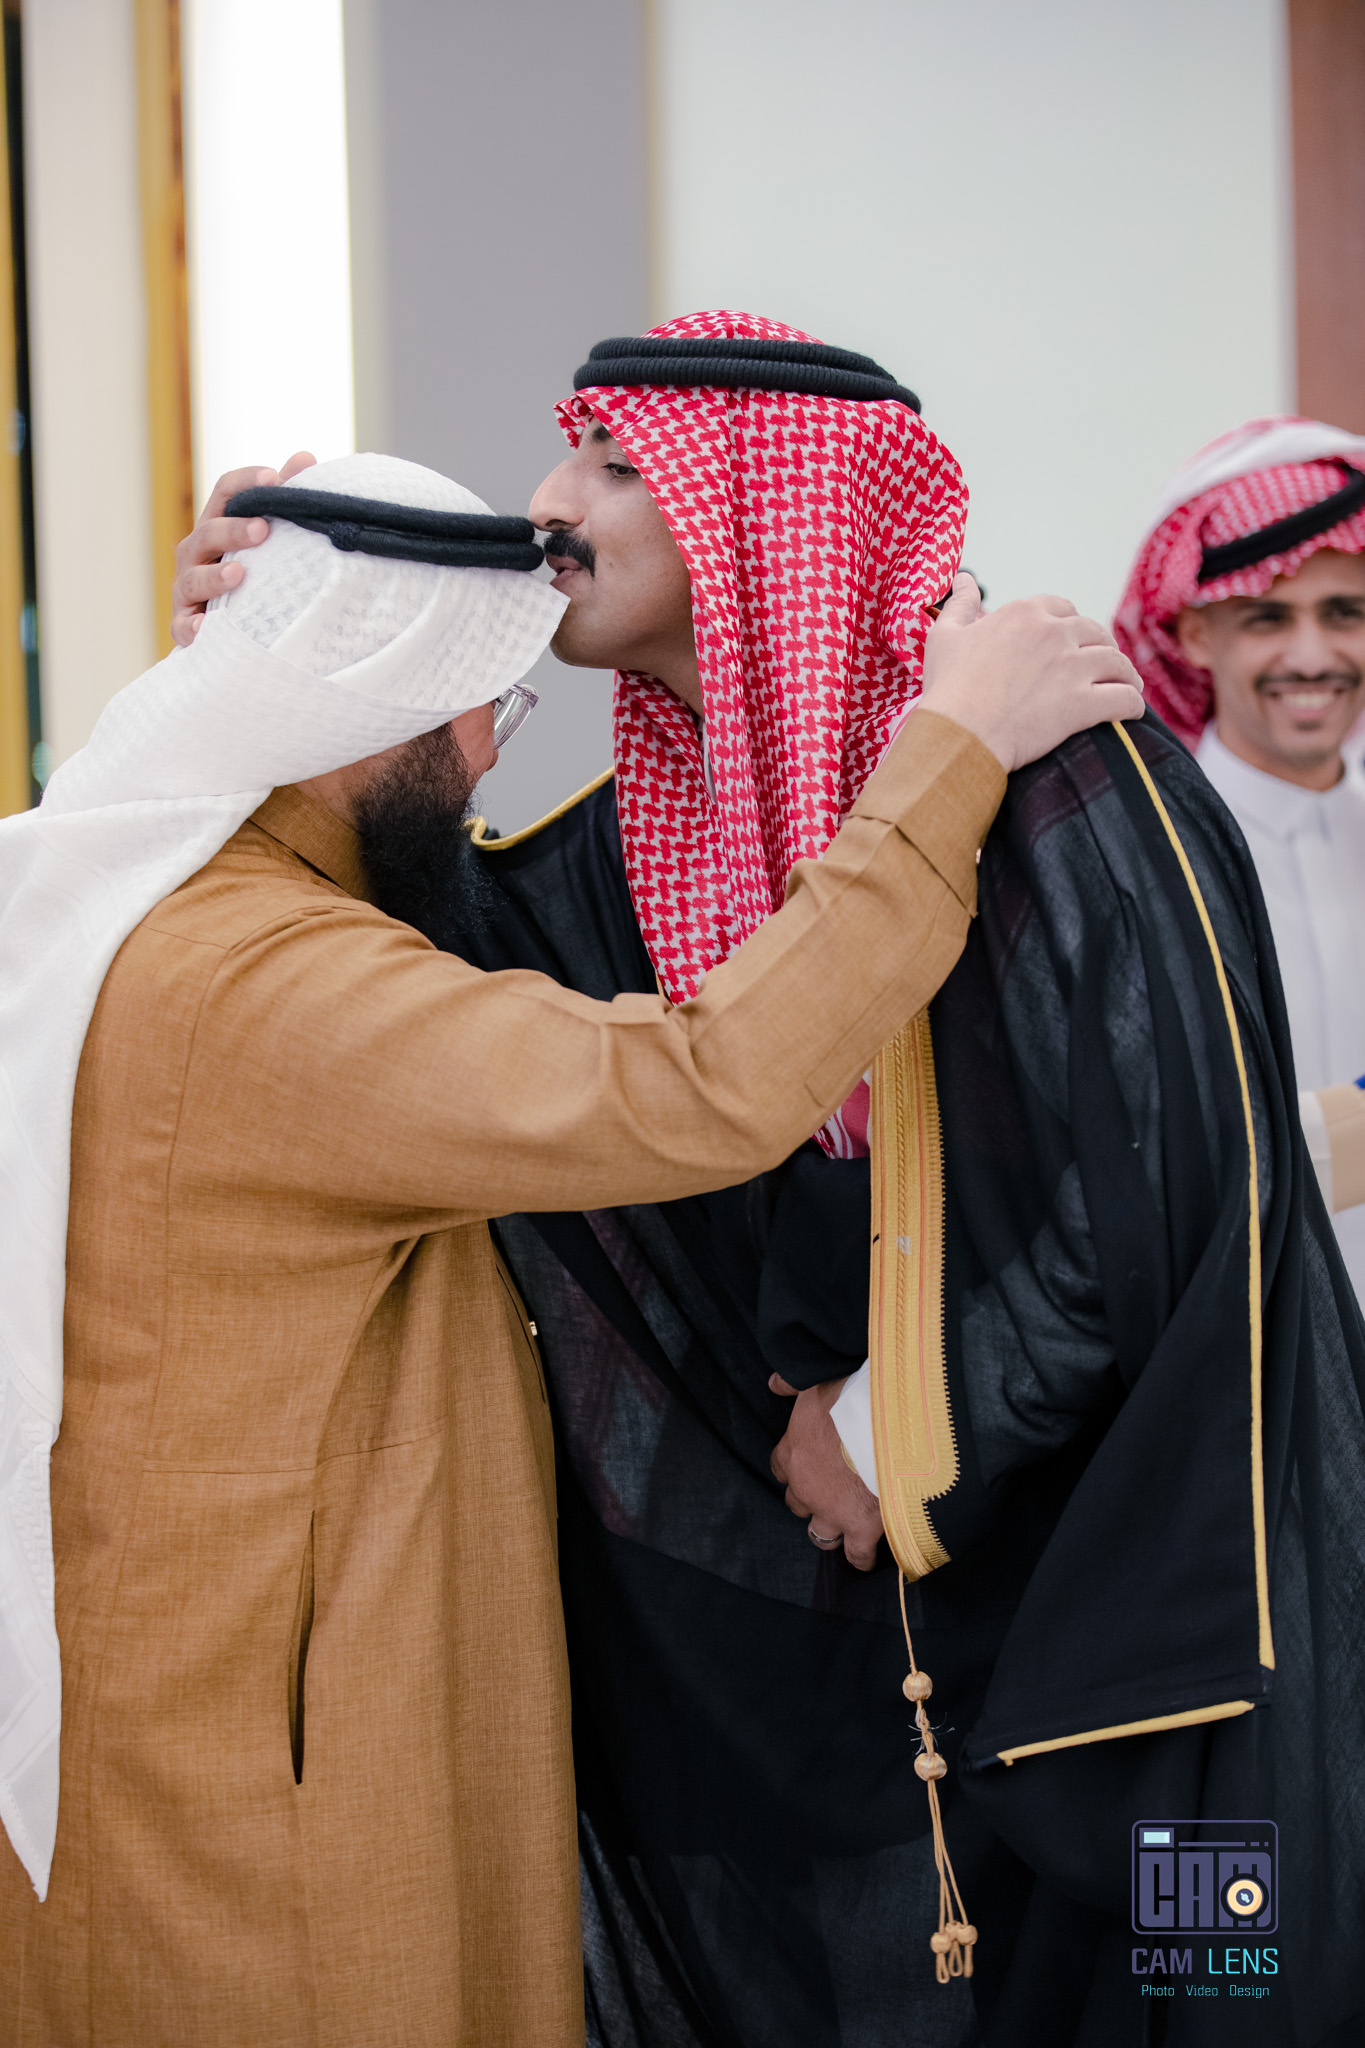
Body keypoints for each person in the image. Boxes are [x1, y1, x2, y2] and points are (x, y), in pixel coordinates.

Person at [170, 327, 1365, 2045]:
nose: (550, 504)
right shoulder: (623, 845)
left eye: (615, 464)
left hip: (1119, 1614)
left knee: (1186, 1981)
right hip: (853, 1648)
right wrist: (260, 657)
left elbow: (1167, 1187)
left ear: (764, 520)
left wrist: (892, 1429)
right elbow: (397, 981)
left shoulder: (1071, 786)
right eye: (565, 451)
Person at [0, 449, 1137, 2048]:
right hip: (262, 1790)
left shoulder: (164, 897)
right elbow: (705, 1086)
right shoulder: (264, 984)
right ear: (368, 717)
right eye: (484, 709)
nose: (487, 756)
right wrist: (950, 753)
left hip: (213, 1706)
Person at [1115, 415, 1365, 1303]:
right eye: (1267, 617)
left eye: (1344, 613)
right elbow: (1139, 1161)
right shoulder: (1134, 861)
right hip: (1237, 1349)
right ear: (1192, 634)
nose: (1312, 656)